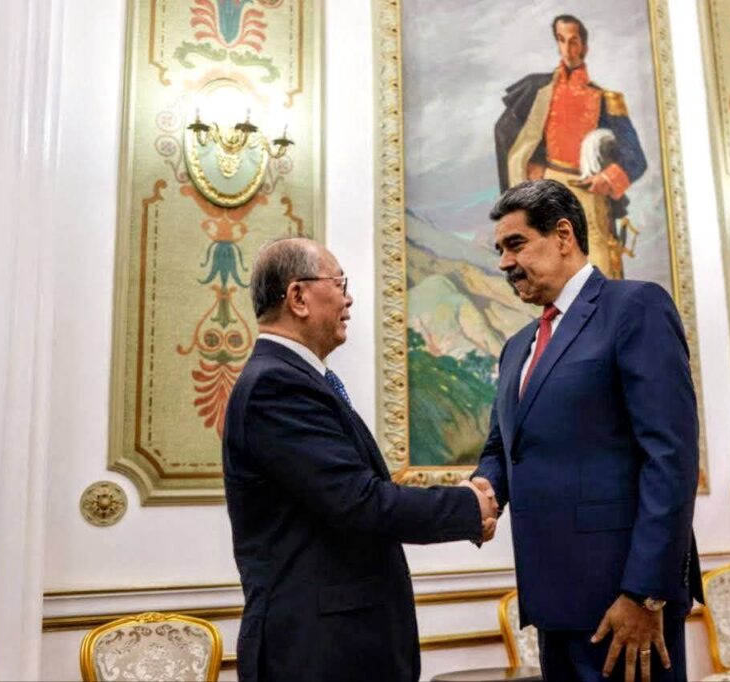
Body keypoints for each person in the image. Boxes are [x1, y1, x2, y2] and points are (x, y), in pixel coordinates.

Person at [222, 237, 498, 682]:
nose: (349, 298)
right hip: (317, 652)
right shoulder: (277, 386)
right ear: (298, 297)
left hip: (339, 646)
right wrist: (468, 506)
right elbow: (358, 502)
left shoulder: (297, 379)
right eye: (338, 283)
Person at [471, 180, 702, 682]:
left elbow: (670, 457)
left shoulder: (634, 307)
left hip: (625, 602)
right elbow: (503, 446)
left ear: (562, 235)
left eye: (515, 244)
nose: (504, 263)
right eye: (499, 251)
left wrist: (645, 592)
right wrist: (483, 488)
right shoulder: (517, 346)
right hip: (552, 601)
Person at [494, 13, 648, 279]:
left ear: (584, 46)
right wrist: (533, 163)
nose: (568, 48)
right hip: (548, 189)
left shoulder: (604, 99)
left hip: (589, 192)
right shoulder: (539, 90)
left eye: (574, 41)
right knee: (548, 270)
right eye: (562, 40)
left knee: (598, 269)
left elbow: (635, 158)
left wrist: (607, 179)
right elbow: (510, 131)